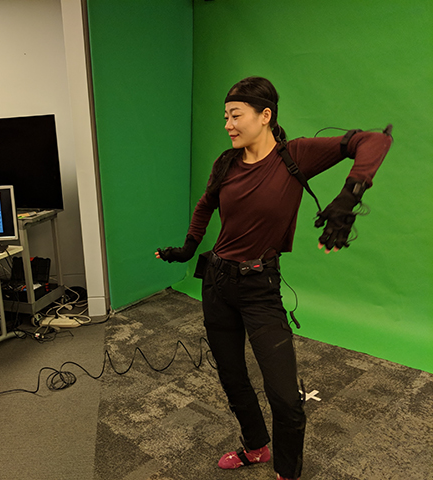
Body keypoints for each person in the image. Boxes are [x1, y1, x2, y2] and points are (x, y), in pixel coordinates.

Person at [156, 77, 392, 480]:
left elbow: (374, 141)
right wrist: (189, 247)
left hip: (258, 289)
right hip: (216, 284)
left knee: (285, 397)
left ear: (264, 116)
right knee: (232, 378)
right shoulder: (226, 163)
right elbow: (206, 203)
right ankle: (256, 447)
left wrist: (350, 195)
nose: (228, 125)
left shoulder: (294, 155)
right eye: (225, 117)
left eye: (235, 115)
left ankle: (287, 472)